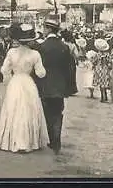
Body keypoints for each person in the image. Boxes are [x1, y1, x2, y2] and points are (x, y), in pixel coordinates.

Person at [0, 23, 49, 153]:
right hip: (28, 82)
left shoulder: (11, 52)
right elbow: (41, 74)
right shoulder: (35, 54)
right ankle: (27, 141)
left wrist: (11, 71)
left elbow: (4, 70)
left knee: (14, 110)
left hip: (15, 82)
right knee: (28, 110)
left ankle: (14, 140)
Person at [37, 18, 72, 154]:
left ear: (49, 29)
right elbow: (70, 69)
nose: (44, 31)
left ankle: (53, 140)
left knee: (48, 114)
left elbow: (38, 70)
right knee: (58, 113)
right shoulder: (64, 47)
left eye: (45, 28)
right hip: (60, 87)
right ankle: (57, 140)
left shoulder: (41, 47)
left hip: (45, 86)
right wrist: (68, 87)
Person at [92, 38, 112, 103]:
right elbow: (110, 62)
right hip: (105, 69)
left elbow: (94, 62)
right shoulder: (107, 54)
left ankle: (102, 96)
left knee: (101, 83)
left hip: (99, 69)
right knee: (105, 82)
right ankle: (105, 95)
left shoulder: (97, 54)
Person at [60, 29, 79, 96]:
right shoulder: (73, 45)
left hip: (63, 60)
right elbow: (76, 55)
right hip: (71, 60)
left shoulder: (62, 43)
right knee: (71, 75)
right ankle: (70, 90)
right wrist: (77, 60)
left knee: (63, 74)